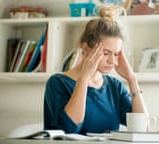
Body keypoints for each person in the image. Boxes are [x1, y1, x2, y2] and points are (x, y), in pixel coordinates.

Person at [43, 5, 148, 135]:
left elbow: (142, 129)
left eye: (116, 54)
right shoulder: (58, 83)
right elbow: (68, 129)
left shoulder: (114, 86)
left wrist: (132, 79)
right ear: (85, 49)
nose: (112, 61)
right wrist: (84, 79)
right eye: (105, 53)